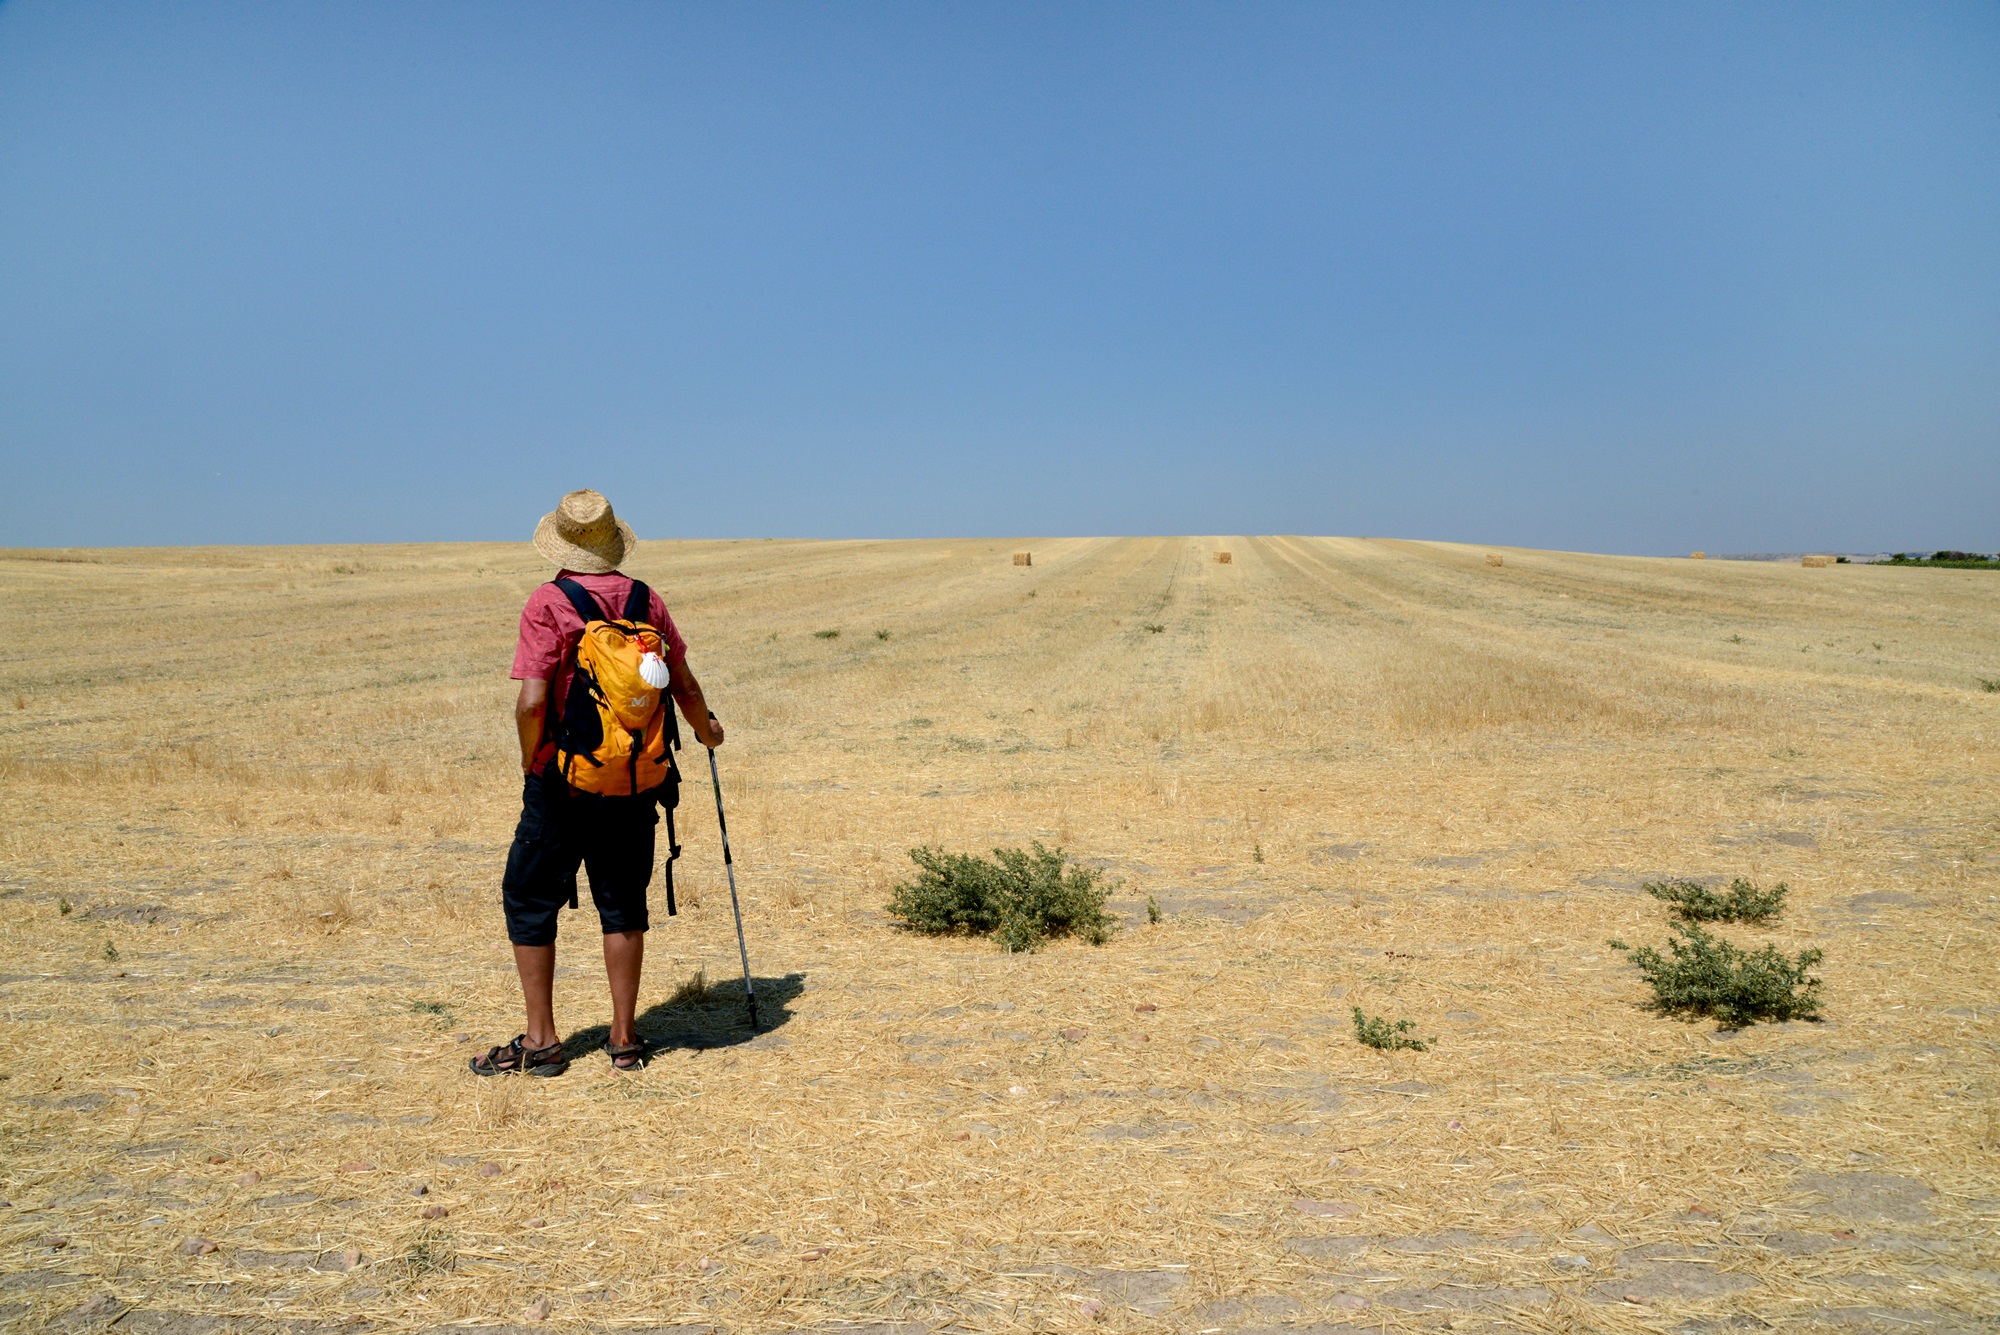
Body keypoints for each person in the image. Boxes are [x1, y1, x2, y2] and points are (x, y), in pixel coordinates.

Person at [471, 489, 723, 1077]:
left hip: (563, 781)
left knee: (530, 900)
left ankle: (541, 1042)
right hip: (636, 780)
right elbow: (682, 685)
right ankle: (625, 1040)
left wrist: (534, 763)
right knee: (623, 905)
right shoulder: (645, 600)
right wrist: (707, 731)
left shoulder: (547, 602)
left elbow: (532, 701)